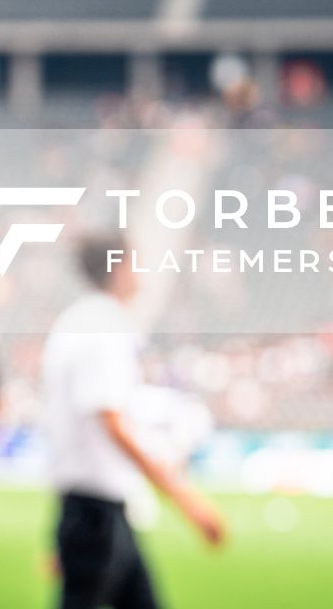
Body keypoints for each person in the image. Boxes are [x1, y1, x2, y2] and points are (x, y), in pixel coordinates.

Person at [39, 234, 223, 609]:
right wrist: (187, 499)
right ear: (119, 268)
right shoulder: (103, 327)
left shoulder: (80, 321)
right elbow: (113, 424)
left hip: (96, 509)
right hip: (95, 512)